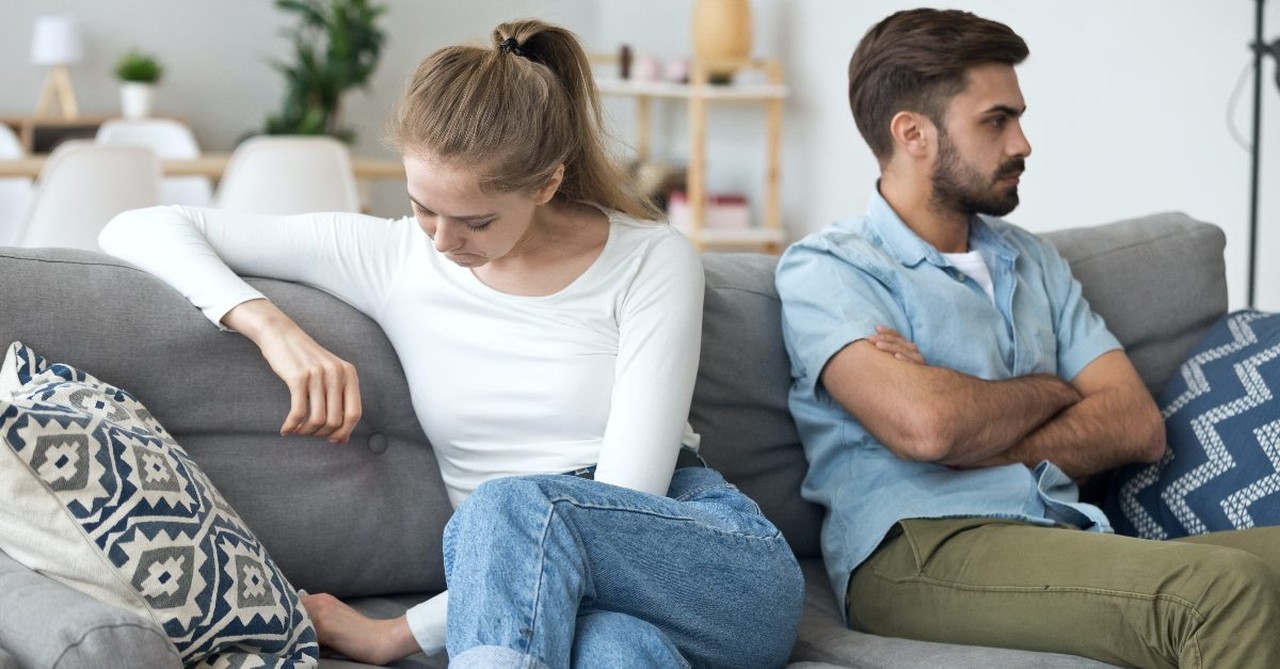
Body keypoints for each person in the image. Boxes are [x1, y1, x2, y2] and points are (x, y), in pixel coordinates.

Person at [101, 19, 802, 668]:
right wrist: (272, 327)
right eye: (422, 205)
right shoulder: (394, 257)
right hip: (541, 598)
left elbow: (628, 494)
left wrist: (396, 633)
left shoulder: (651, 260)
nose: (441, 238)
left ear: (548, 182)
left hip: (705, 563)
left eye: (474, 220)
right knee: (616, 649)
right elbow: (138, 225)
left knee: (510, 506)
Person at [775, 8, 1280, 668]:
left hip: (1057, 529)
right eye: (996, 120)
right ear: (913, 134)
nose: (1023, 142)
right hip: (918, 547)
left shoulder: (1032, 261)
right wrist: (1057, 389)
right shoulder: (831, 268)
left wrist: (976, 425)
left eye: (1017, 117)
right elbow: (929, 428)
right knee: (1222, 591)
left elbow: (1136, 424)